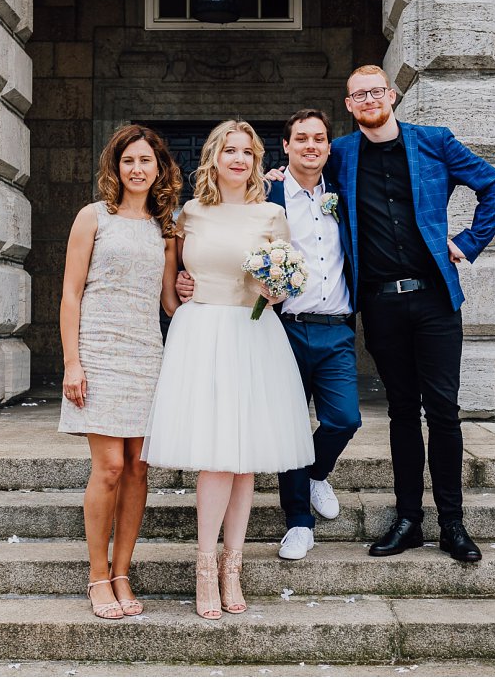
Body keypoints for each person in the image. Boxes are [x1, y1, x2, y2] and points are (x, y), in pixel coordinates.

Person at [333, 65, 495, 562]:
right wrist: (277, 177)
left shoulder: (434, 141)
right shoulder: (341, 155)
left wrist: (469, 242)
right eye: (358, 95)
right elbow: (303, 189)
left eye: (375, 91)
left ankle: (453, 523)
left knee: (444, 412)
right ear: (349, 106)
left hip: (434, 301)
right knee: (400, 414)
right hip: (380, 303)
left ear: (391, 95)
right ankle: (409, 519)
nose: (368, 100)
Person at [142, 120, 314, 620]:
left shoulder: (272, 213)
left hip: (252, 333)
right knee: (216, 457)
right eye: (230, 150)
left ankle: (232, 566)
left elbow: (284, 283)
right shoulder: (190, 213)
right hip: (201, 333)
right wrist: (180, 296)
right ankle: (203, 564)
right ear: (214, 157)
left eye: (247, 151)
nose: (239, 159)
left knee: (244, 462)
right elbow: (170, 288)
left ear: (256, 161)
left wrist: (276, 290)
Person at [177, 109, 360, 561]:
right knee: (289, 425)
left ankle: (316, 475)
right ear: (285, 147)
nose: (311, 145)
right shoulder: (269, 193)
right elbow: (182, 260)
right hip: (283, 327)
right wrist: (183, 283)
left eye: (319, 138)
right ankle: (298, 522)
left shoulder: (344, 193)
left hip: (335, 326)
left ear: (329, 147)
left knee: (345, 418)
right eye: (302, 138)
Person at [59, 124, 182, 619]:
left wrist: (204, 292)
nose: (137, 169)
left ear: (159, 169)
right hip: (98, 349)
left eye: (145, 162)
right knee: (108, 467)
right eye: (128, 160)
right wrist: (72, 361)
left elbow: (169, 301)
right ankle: (96, 576)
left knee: (138, 468)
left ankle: (123, 571)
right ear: (116, 166)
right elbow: (70, 293)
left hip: (145, 352)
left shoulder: (165, 228)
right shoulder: (93, 217)